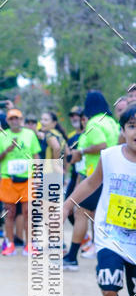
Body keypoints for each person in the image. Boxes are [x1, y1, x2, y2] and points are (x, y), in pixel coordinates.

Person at [63, 104, 136, 296]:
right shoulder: (111, 156)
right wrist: (65, 206)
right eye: (132, 126)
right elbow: (91, 184)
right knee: (109, 282)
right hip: (111, 233)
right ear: (123, 130)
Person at [63, 91, 112, 270]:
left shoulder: (94, 122)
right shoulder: (112, 122)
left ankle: (72, 257)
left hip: (96, 176)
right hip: (111, 176)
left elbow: (102, 146)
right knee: (101, 217)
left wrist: (81, 152)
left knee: (80, 212)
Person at [0, 107, 40, 255]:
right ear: (7, 121)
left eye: (17, 118)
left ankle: (29, 245)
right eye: (11, 119)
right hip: (8, 179)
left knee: (28, 213)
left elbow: (36, 156)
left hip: (27, 179)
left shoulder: (30, 134)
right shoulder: (1, 136)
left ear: (21, 120)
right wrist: (8, 150)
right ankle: (10, 244)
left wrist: (37, 175)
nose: (14, 121)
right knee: (9, 213)